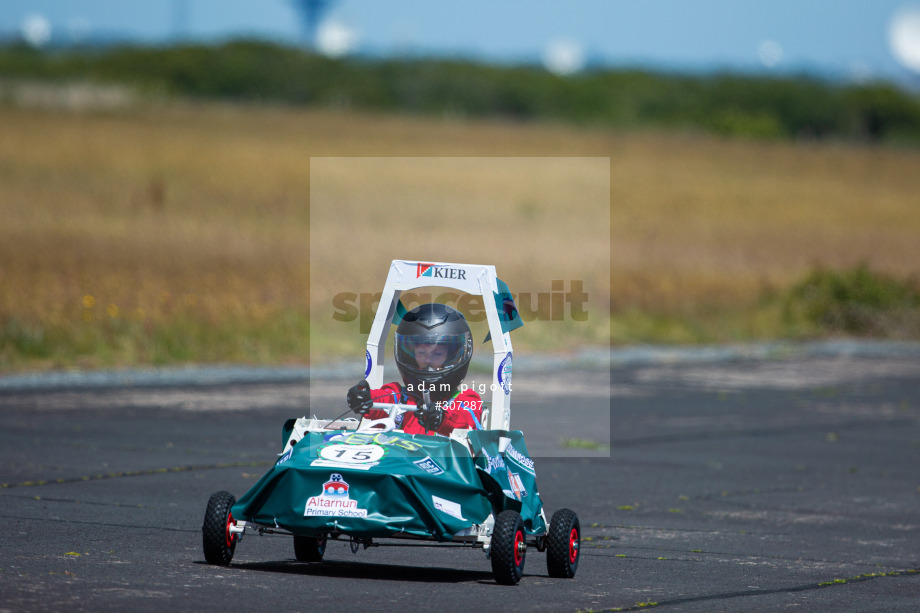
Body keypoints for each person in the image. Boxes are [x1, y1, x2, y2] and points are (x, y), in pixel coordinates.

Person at [346, 303, 483, 436]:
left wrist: (441, 418)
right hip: (399, 458)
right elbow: (382, 399)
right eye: (421, 353)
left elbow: (465, 419)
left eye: (437, 354)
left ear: (451, 356)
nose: (428, 360)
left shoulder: (467, 400)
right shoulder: (400, 397)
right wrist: (364, 398)